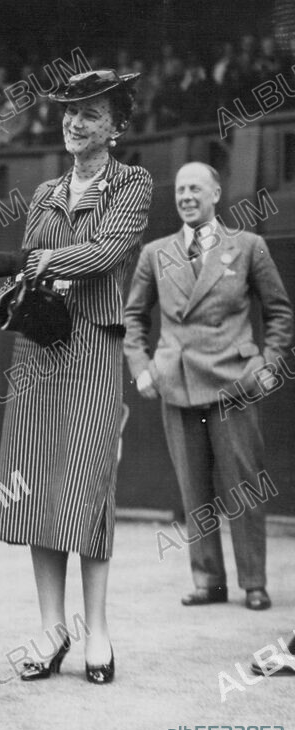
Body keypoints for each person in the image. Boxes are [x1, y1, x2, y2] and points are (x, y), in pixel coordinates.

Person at [0, 70, 153, 684]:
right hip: (39, 355)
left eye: (92, 114)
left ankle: (96, 631)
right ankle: (52, 629)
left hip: (94, 355)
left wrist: (29, 259)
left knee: (87, 491)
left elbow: (105, 252)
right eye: (71, 113)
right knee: (35, 492)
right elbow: (25, 285)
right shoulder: (48, 191)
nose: (76, 122)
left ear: (117, 126)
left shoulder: (133, 183)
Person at [124, 162, 293, 611]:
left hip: (234, 382)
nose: (186, 197)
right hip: (176, 383)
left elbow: (279, 312)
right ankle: (207, 580)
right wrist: (142, 367)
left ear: (216, 193)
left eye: (196, 188)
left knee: (243, 486)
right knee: (193, 488)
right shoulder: (156, 254)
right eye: (180, 190)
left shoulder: (248, 247)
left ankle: (253, 581)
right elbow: (133, 318)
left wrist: (270, 364)